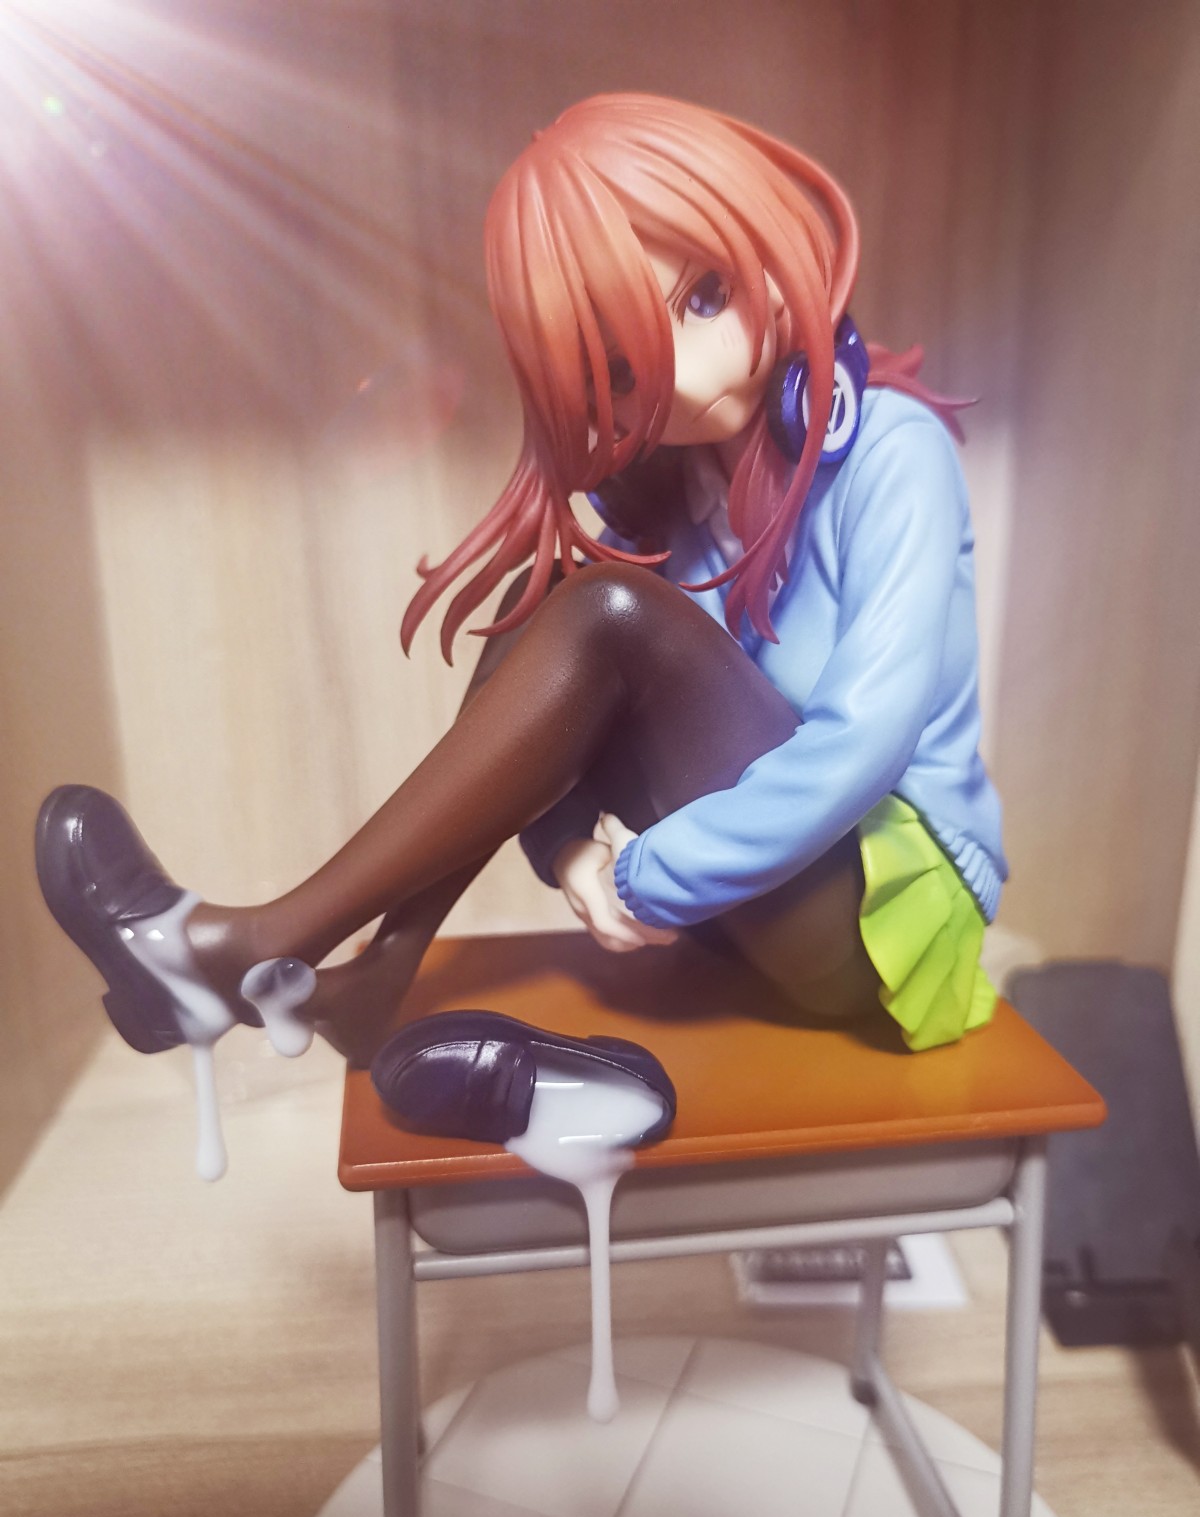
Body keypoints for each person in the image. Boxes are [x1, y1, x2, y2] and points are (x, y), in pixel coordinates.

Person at [35, 92, 1006, 1073]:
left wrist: (647, 876)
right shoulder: (684, 493)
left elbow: (863, 742)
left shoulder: (894, 453)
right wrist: (572, 848)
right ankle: (377, 976)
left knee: (609, 611)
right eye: (626, 368)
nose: (685, 374)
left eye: (705, 296)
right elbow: (577, 702)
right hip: (748, 912)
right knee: (547, 598)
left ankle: (254, 946)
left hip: (882, 919)